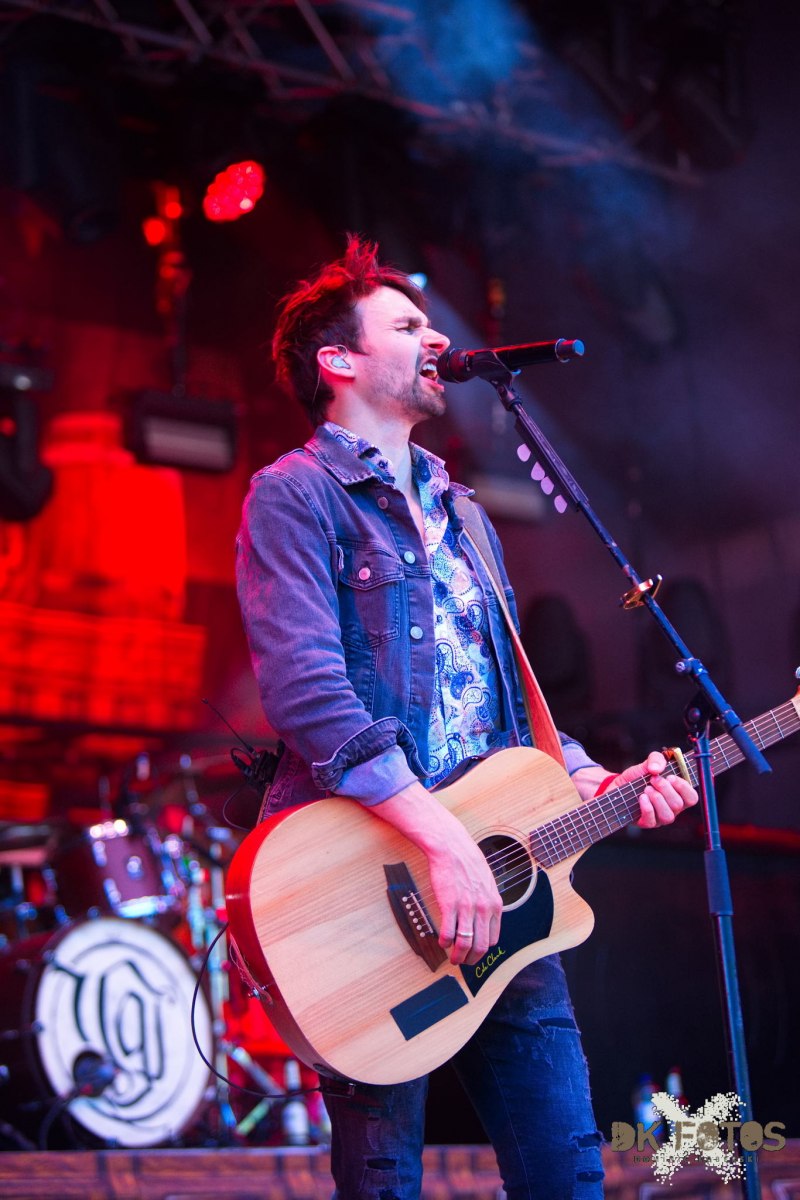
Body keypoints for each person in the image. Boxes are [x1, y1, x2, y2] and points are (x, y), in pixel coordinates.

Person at [235, 236, 698, 1200]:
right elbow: (307, 689)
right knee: (384, 1183)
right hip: (368, 883)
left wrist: (587, 779)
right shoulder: (295, 494)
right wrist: (440, 842)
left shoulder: (465, 511)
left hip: (500, 879)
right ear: (339, 360)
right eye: (408, 324)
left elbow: (503, 693)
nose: (438, 338)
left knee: (568, 1178)